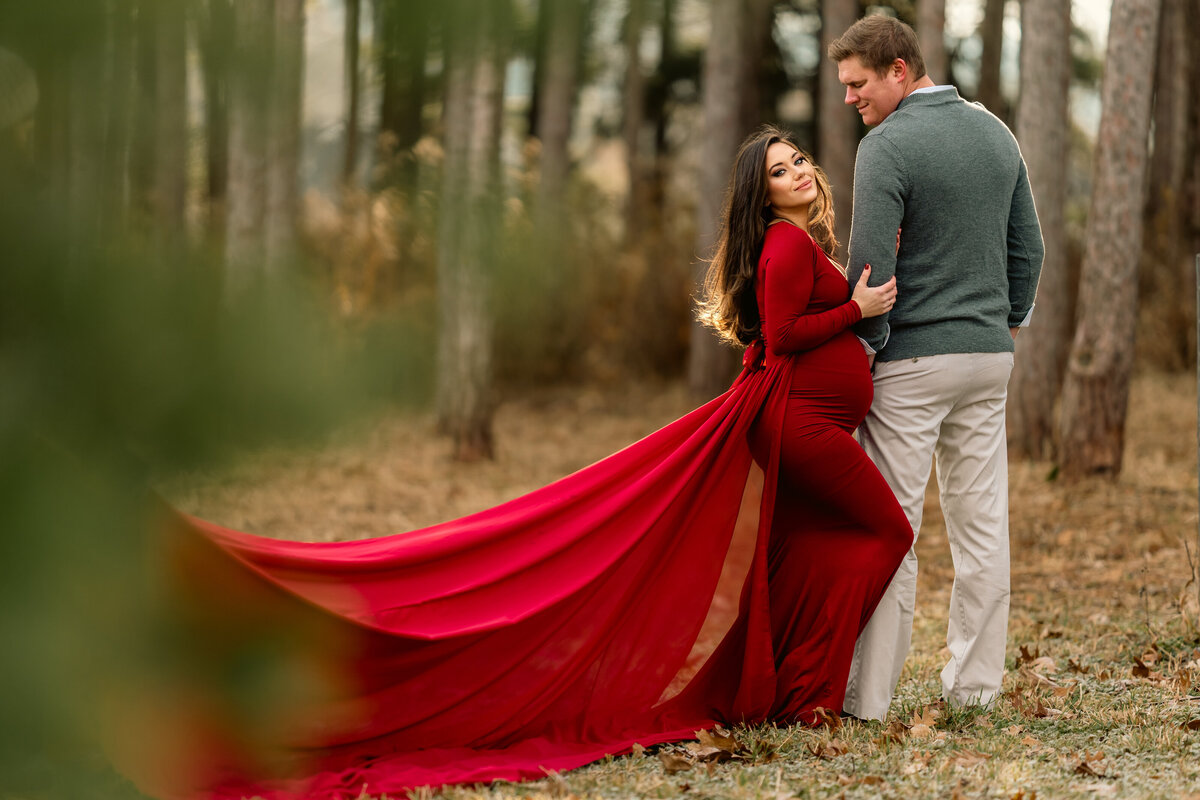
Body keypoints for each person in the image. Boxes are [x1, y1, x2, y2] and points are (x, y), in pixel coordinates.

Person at [124, 128, 911, 800]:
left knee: (813, 548)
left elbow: (780, 337)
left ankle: (801, 689)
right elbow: (780, 333)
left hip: (804, 422)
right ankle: (806, 694)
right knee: (886, 533)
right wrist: (859, 312)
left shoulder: (800, 240)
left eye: (799, 159)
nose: (799, 171)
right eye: (779, 169)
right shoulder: (782, 244)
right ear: (761, 193)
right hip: (801, 426)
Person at [827, 15, 1045, 721]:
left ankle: (869, 696)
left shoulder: (886, 146)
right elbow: (1029, 249)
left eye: (859, 85)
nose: (851, 100)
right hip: (987, 360)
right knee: (983, 527)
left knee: (893, 526)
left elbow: (869, 269)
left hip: (912, 361)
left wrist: (865, 345)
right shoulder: (994, 132)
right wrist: (999, 321)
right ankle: (976, 691)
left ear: (898, 69)